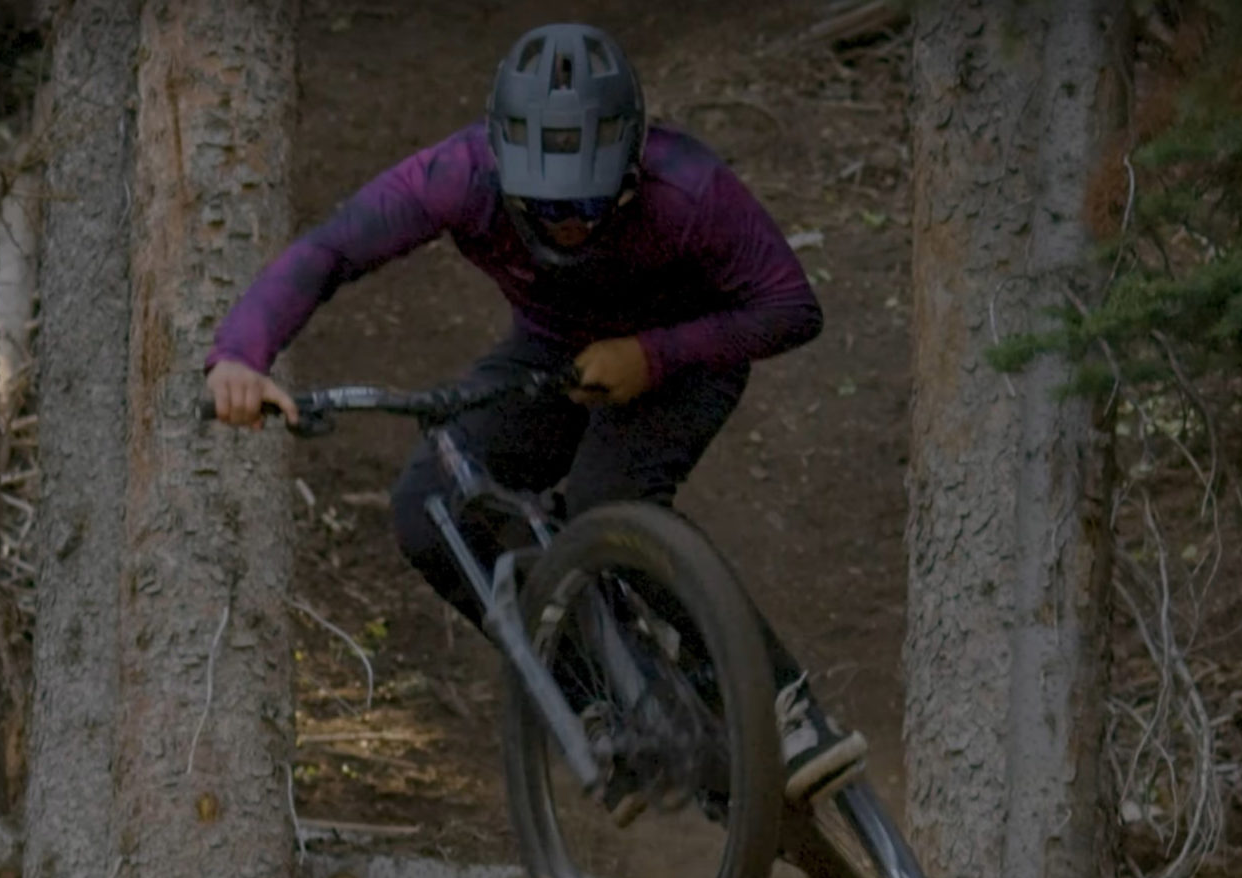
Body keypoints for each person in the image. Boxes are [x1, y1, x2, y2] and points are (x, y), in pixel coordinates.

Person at [205, 21, 866, 812]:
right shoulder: (458, 176)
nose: (569, 225)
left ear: (632, 163)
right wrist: (240, 354)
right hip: (553, 353)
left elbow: (791, 308)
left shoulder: (690, 187)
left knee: (608, 504)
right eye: (544, 207)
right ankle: (603, 703)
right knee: (428, 509)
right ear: (504, 172)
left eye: (589, 202)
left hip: (690, 352)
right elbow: (332, 249)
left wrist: (652, 355)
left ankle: (787, 707)